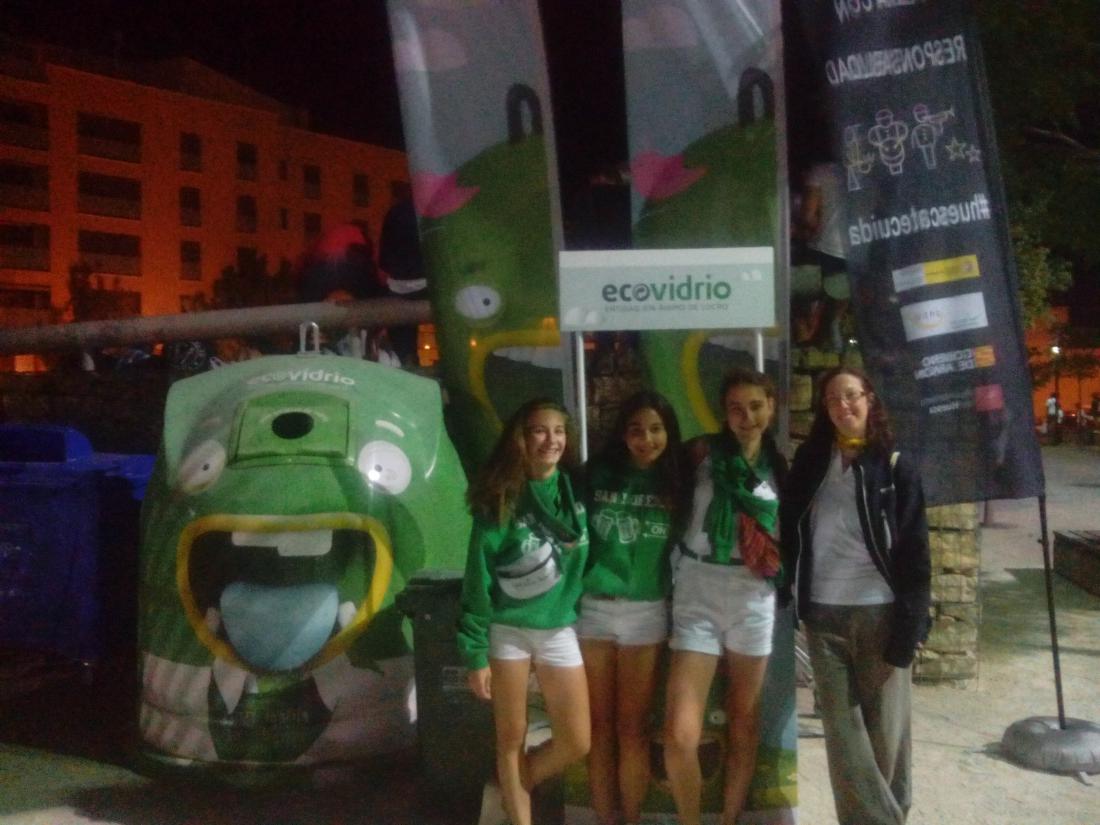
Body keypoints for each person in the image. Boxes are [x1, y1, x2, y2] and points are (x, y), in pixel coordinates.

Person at [779, 366, 930, 825]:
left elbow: (915, 552)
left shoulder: (895, 466)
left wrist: (911, 625)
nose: (842, 405)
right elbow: (788, 527)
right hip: (823, 616)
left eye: (851, 395)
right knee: (843, 736)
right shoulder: (812, 462)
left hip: (880, 614)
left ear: (869, 399)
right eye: (832, 398)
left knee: (887, 735)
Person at [457, 398, 591, 825]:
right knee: (511, 738)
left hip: (558, 628)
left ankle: (511, 788)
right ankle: (518, 813)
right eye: (539, 430)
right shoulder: (500, 500)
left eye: (559, 431)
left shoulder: (577, 491)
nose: (551, 440)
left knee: (576, 741)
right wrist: (475, 654)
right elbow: (477, 580)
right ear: (521, 438)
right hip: (507, 629)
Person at [663, 368, 787, 825]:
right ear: (724, 413)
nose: (746, 417)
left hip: (752, 594)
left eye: (756, 406)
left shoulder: (781, 466)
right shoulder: (700, 454)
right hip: (698, 585)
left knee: (743, 722)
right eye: (736, 408)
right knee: (679, 733)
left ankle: (729, 818)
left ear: (771, 407)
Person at [578, 390, 688, 825]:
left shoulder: (678, 482)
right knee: (599, 729)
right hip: (593, 610)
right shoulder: (596, 474)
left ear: (669, 433)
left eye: (656, 429)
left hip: (646, 612)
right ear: (623, 434)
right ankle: (606, 819)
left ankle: (632, 818)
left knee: (633, 730)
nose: (646, 439)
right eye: (636, 430)